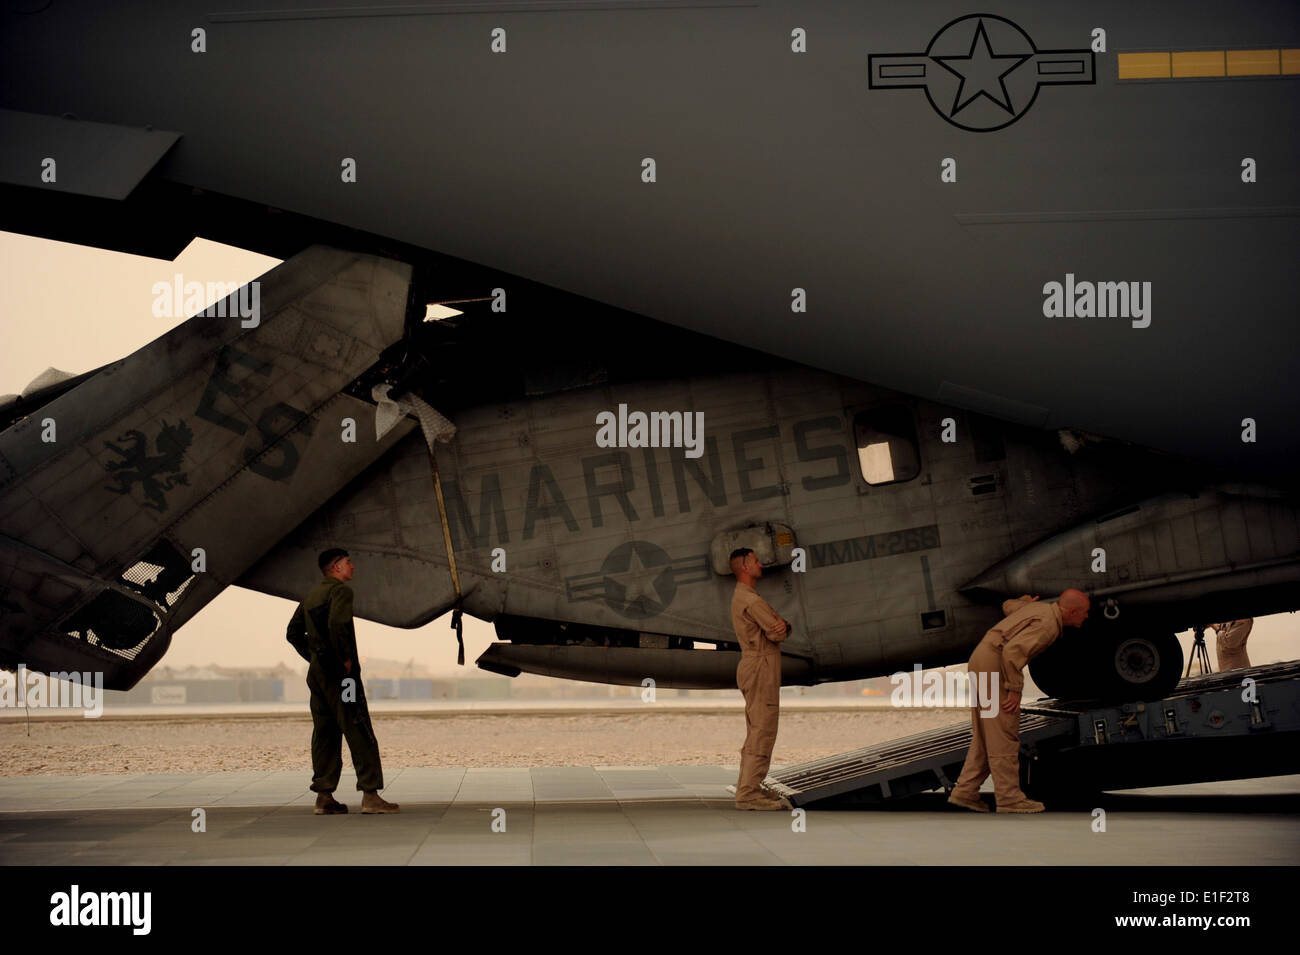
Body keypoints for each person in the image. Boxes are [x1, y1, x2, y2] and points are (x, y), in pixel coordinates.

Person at [947, 588, 1091, 814]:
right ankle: (1009, 798)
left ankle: (965, 792)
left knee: (988, 734)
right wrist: (1014, 690)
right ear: (1072, 611)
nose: (1087, 616)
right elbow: (1012, 653)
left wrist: (1020, 601)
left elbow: (1008, 606)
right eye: (1085, 612)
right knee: (1004, 733)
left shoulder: (1038, 608)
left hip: (981, 660)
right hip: (995, 665)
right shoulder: (1048, 626)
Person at [286, 548, 399, 814]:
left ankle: (324, 797)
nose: (353, 567)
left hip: (318, 676)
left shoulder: (311, 595)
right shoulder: (340, 592)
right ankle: (370, 796)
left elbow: (292, 633)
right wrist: (344, 660)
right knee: (358, 727)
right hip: (342, 676)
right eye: (349, 562)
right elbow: (338, 624)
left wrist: (315, 657)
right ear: (336, 567)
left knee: (324, 733)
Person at [729, 547, 790, 810]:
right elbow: (778, 633)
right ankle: (749, 794)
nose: (760, 564)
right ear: (744, 566)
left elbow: (778, 627)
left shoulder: (745, 597)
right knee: (763, 729)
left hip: (756, 664)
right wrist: (783, 624)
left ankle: (750, 787)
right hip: (761, 664)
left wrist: (781, 625)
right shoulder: (751, 600)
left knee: (757, 728)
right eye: (755, 561)